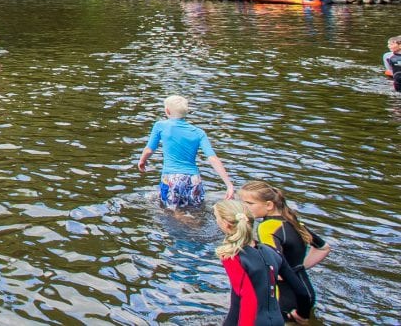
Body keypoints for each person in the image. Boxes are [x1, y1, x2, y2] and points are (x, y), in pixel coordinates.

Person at [214, 199, 314, 325]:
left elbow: (248, 298)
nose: (216, 221)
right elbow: (301, 291)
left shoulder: (231, 256)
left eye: (216, 218)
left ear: (225, 224)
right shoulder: (271, 251)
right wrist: (303, 314)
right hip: (277, 320)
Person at [239, 181, 328, 320]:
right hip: (305, 292)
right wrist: (298, 268)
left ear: (269, 205)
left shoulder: (266, 227)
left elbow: (274, 264)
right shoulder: (293, 221)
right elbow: (323, 248)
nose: (244, 207)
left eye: (249, 203)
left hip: (284, 296)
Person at [135, 95, 236, 207]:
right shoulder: (199, 132)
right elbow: (212, 158)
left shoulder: (160, 126)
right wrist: (229, 185)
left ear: (167, 110)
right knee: (195, 212)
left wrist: (142, 161)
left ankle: (184, 220)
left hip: (171, 178)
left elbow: (149, 150)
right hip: (194, 179)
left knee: (171, 213)